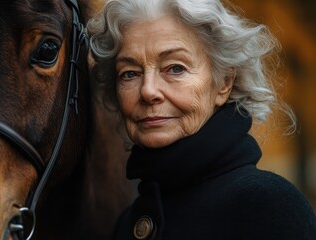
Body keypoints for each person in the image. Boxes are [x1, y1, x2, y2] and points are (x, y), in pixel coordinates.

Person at [87, 0, 316, 239]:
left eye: (175, 68)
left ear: (224, 83)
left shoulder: (270, 207)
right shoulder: (126, 223)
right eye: (130, 73)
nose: (148, 91)